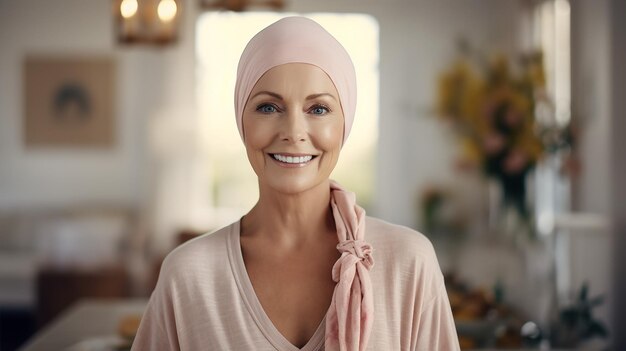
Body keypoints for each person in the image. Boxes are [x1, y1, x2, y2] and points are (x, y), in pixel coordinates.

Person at [132, 16, 460, 351]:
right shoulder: (187, 275)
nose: (293, 131)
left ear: (344, 124)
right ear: (241, 121)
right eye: (268, 106)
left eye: (318, 109)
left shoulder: (409, 263)